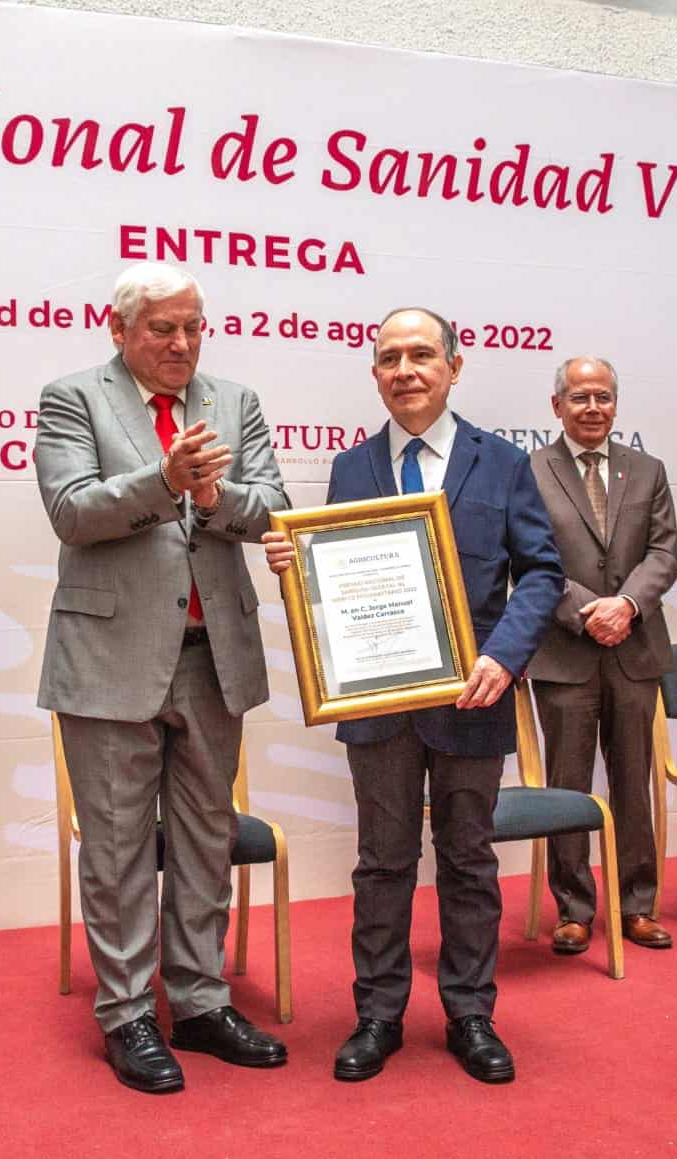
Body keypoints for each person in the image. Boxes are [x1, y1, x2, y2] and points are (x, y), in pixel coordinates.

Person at [263, 307, 563, 1084]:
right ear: (374, 375)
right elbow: (336, 583)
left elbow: (541, 572)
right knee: (382, 862)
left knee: (469, 861)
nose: (405, 369)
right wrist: (296, 571)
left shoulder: (502, 463)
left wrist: (504, 655)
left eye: (421, 354)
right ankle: (378, 1014)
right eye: (390, 357)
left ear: (454, 367)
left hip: (474, 697)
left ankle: (470, 1013)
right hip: (379, 706)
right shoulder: (350, 468)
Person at [35, 263, 290, 1093]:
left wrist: (213, 495)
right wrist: (165, 481)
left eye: (191, 328)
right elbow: (72, 509)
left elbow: (271, 507)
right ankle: (126, 1013)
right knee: (113, 848)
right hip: (109, 660)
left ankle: (201, 1000)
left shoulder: (234, 402)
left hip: (212, 657)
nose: (181, 344)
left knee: (205, 838)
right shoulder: (74, 398)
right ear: (120, 330)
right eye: (162, 330)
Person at [526, 357, 677, 955]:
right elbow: (531, 559)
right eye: (580, 397)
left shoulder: (649, 470)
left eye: (603, 397)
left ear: (616, 404)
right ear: (556, 404)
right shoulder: (531, 470)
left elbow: (664, 554)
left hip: (635, 650)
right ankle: (574, 909)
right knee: (567, 787)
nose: (593, 408)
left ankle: (638, 905)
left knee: (632, 784)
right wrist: (593, 610)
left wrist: (627, 607)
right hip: (565, 652)